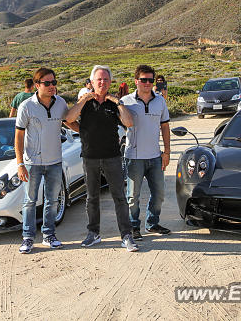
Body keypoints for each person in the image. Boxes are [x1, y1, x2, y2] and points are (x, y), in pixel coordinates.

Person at [64, 65, 139, 252]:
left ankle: (126, 235)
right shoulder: (85, 103)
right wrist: (84, 101)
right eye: (99, 79)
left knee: (119, 197)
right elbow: (69, 118)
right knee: (92, 198)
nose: (102, 82)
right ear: (92, 82)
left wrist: (118, 102)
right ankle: (93, 234)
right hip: (90, 157)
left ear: (110, 82)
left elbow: (129, 122)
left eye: (106, 79)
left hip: (112, 156)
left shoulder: (115, 104)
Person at [15, 68, 72, 254]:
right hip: (32, 163)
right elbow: (18, 136)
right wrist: (20, 163)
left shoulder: (60, 102)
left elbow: (69, 122)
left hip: (55, 161)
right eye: (47, 83)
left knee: (52, 200)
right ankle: (28, 238)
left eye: (54, 82)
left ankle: (49, 235)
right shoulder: (26, 106)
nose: (52, 87)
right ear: (37, 85)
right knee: (30, 201)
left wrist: (87, 132)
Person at [121, 65, 171, 240]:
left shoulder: (160, 101)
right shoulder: (126, 101)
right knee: (133, 196)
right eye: (144, 80)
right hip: (134, 158)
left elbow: (165, 126)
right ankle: (134, 226)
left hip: (155, 156)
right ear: (136, 81)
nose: (147, 83)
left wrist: (167, 152)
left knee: (159, 193)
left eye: (151, 80)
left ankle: (152, 223)